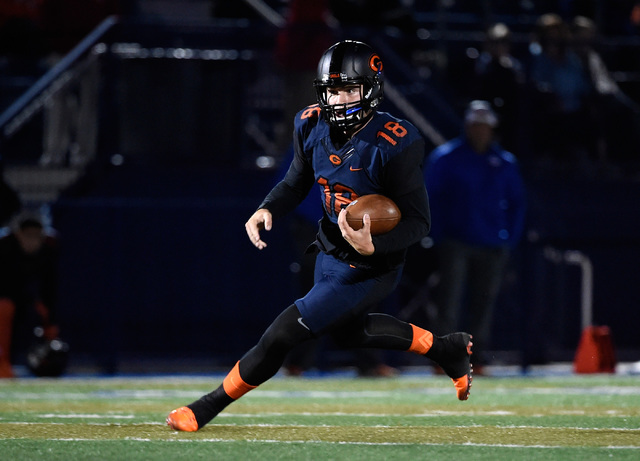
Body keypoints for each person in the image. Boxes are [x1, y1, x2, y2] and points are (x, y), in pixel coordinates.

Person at [166, 40, 473, 432]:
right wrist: (267, 207)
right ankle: (447, 349)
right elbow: (297, 180)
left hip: (371, 263)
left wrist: (374, 244)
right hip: (330, 246)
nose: (338, 99)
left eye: (349, 89)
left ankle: (204, 409)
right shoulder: (310, 123)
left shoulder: (397, 141)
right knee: (349, 333)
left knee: (281, 334)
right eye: (332, 89)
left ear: (371, 89)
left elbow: (419, 222)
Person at [424, 100, 527, 371]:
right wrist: (437, 234)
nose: (480, 131)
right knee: (450, 300)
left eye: (485, 126)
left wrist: (509, 238)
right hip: (455, 241)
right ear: (468, 127)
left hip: (491, 242)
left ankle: (476, 357)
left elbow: (517, 203)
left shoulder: (504, 162)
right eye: (476, 126)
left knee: (483, 302)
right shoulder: (446, 158)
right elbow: (430, 198)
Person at [0, 211, 60, 378]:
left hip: (24, 299)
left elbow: (49, 288)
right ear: (19, 235)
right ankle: (1, 363)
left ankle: (45, 364)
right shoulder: (4, 248)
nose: (32, 241)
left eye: (37, 236)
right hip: (4, 298)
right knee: (4, 308)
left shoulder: (48, 252)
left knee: (45, 315)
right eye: (28, 236)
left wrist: (51, 321)